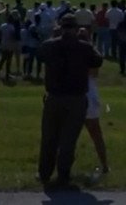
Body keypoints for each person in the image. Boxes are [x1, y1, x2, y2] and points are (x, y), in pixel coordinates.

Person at [37, 14, 103, 186]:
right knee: (68, 138)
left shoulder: (50, 45)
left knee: (49, 137)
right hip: (76, 98)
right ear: (75, 28)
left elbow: (40, 55)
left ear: (60, 27)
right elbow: (98, 60)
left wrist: (54, 36)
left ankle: (44, 173)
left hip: (54, 96)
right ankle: (63, 175)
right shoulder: (84, 48)